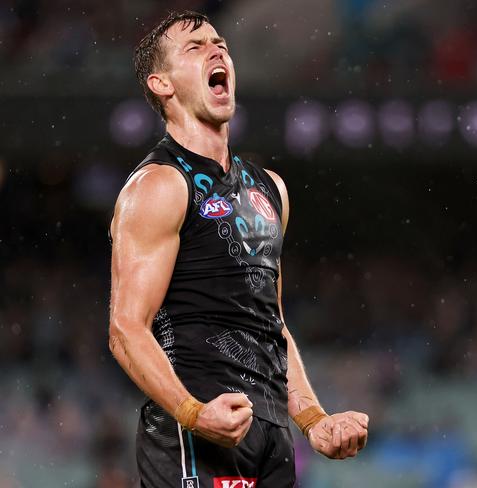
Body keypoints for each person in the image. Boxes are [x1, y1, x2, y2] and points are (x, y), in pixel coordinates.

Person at [108, 10, 369, 488]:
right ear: (162, 84)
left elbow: (273, 327)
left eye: (220, 43)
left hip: (270, 439)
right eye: (195, 47)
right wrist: (193, 412)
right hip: (196, 429)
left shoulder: (270, 190)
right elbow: (126, 328)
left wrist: (314, 421)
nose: (217, 50)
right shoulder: (159, 185)